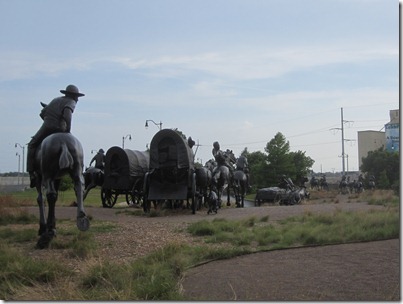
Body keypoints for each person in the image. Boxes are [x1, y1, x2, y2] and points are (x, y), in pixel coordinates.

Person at [27, 84, 85, 187]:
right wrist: (68, 130)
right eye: (77, 97)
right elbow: (68, 114)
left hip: (47, 127)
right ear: (73, 95)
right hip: (61, 128)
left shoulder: (55, 100)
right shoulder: (70, 101)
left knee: (32, 145)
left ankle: (32, 173)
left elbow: (42, 113)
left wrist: (49, 118)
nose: (77, 99)